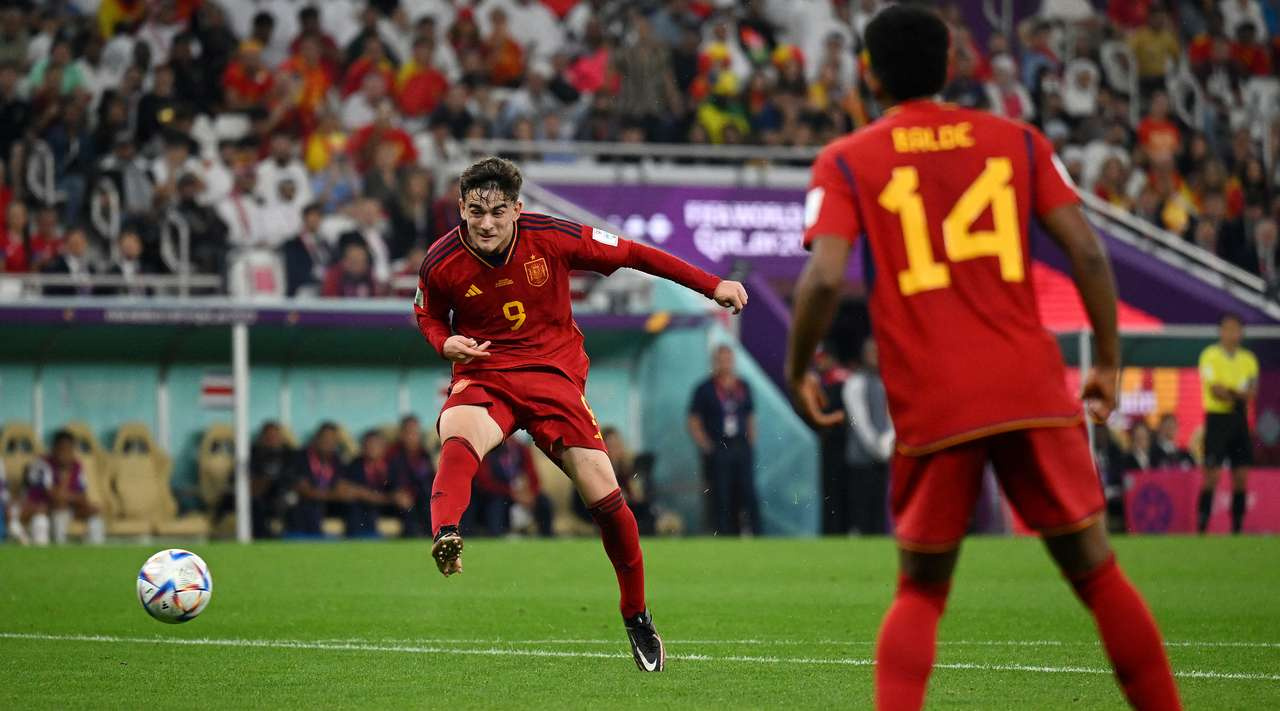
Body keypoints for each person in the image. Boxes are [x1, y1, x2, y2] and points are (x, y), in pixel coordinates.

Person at [785, 7, 1180, 710]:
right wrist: (1107, 359)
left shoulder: (846, 158)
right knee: (1096, 573)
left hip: (937, 400)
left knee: (921, 591)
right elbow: (1088, 253)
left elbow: (821, 280)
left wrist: (798, 368)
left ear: (870, 75)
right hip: (1029, 386)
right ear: (950, 67)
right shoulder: (1017, 140)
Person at [413, 156, 747, 672]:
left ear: (517, 209)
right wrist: (443, 342)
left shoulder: (553, 236)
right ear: (461, 208)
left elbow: (633, 252)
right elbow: (427, 312)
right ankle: (445, 533)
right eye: (476, 212)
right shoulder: (441, 260)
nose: (486, 224)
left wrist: (711, 284)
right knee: (457, 432)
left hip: (553, 377)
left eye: (498, 212)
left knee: (606, 496)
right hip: (486, 371)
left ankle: (636, 613)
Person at [687, 345, 760, 537]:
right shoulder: (704, 389)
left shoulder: (743, 386)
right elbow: (694, 420)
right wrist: (706, 445)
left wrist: (751, 441)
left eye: (728, 359)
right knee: (721, 493)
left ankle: (756, 533)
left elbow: (750, 416)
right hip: (719, 446)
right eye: (721, 360)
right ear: (714, 362)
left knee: (747, 491)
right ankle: (724, 534)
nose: (725, 363)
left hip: (741, 445)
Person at [1198, 313, 1259, 534]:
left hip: (1240, 420)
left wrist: (1231, 392)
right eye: (1227, 328)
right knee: (1212, 475)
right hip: (1217, 420)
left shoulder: (1249, 359)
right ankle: (1202, 526)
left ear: (1241, 333)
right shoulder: (1210, 355)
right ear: (1220, 331)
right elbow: (1216, 391)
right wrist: (1238, 394)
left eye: (1235, 329)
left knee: (1241, 476)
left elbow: (1251, 393)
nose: (1231, 333)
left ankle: (1237, 528)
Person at [842, 337, 893, 535]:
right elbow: (859, 421)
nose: (876, 357)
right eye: (872, 353)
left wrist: (887, 442)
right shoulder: (855, 382)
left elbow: (892, 415)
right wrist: (877, 446)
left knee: (878, 512)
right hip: (861, 458)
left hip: (882, 456)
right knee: (861, 511)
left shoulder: (886, 380)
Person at [20, 430, 103, 545]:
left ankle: (94, 549)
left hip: (66, 507)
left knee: (94, 513)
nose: (65, 454)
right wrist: (65, 476)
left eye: (69, 450)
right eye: (62, 449)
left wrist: (69, 498)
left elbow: (83, 496)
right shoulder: (42, 464)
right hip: (40, 509)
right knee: (58, 510)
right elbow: (53, 496)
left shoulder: (77, 465)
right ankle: (59, 547)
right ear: (54, 449)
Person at [473, 435, 552, 536]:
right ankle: (496, 535)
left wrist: (531, 494)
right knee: (496, 505)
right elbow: (485, 483)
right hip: (499, 494)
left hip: (522, 493)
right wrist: (512, 494)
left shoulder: (521, 449)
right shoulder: (487, 451)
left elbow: (533, 477)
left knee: (543, 501)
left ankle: (546, 535)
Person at [285, 422, 345, 537]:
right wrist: (330, 494)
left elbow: (342, 489)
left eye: (332, 439)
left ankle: (361, 538)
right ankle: (306, 539)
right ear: (316, 438)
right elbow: (304, 490)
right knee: (306, 505)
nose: (328, 442)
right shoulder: (300, 457)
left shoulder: (337, 460)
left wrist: (327, 494)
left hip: (329, 504)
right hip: (305, 503)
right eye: (325, 438)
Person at [388, 415, 435, 537]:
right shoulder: (393, 454)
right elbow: (388, 481)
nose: (412, 437)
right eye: (409, 433)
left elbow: (430, 479)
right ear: (401, 434)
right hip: (398, 500)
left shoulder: (424, 454)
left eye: (415, 433)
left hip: (423, 498)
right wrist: (396, 494)